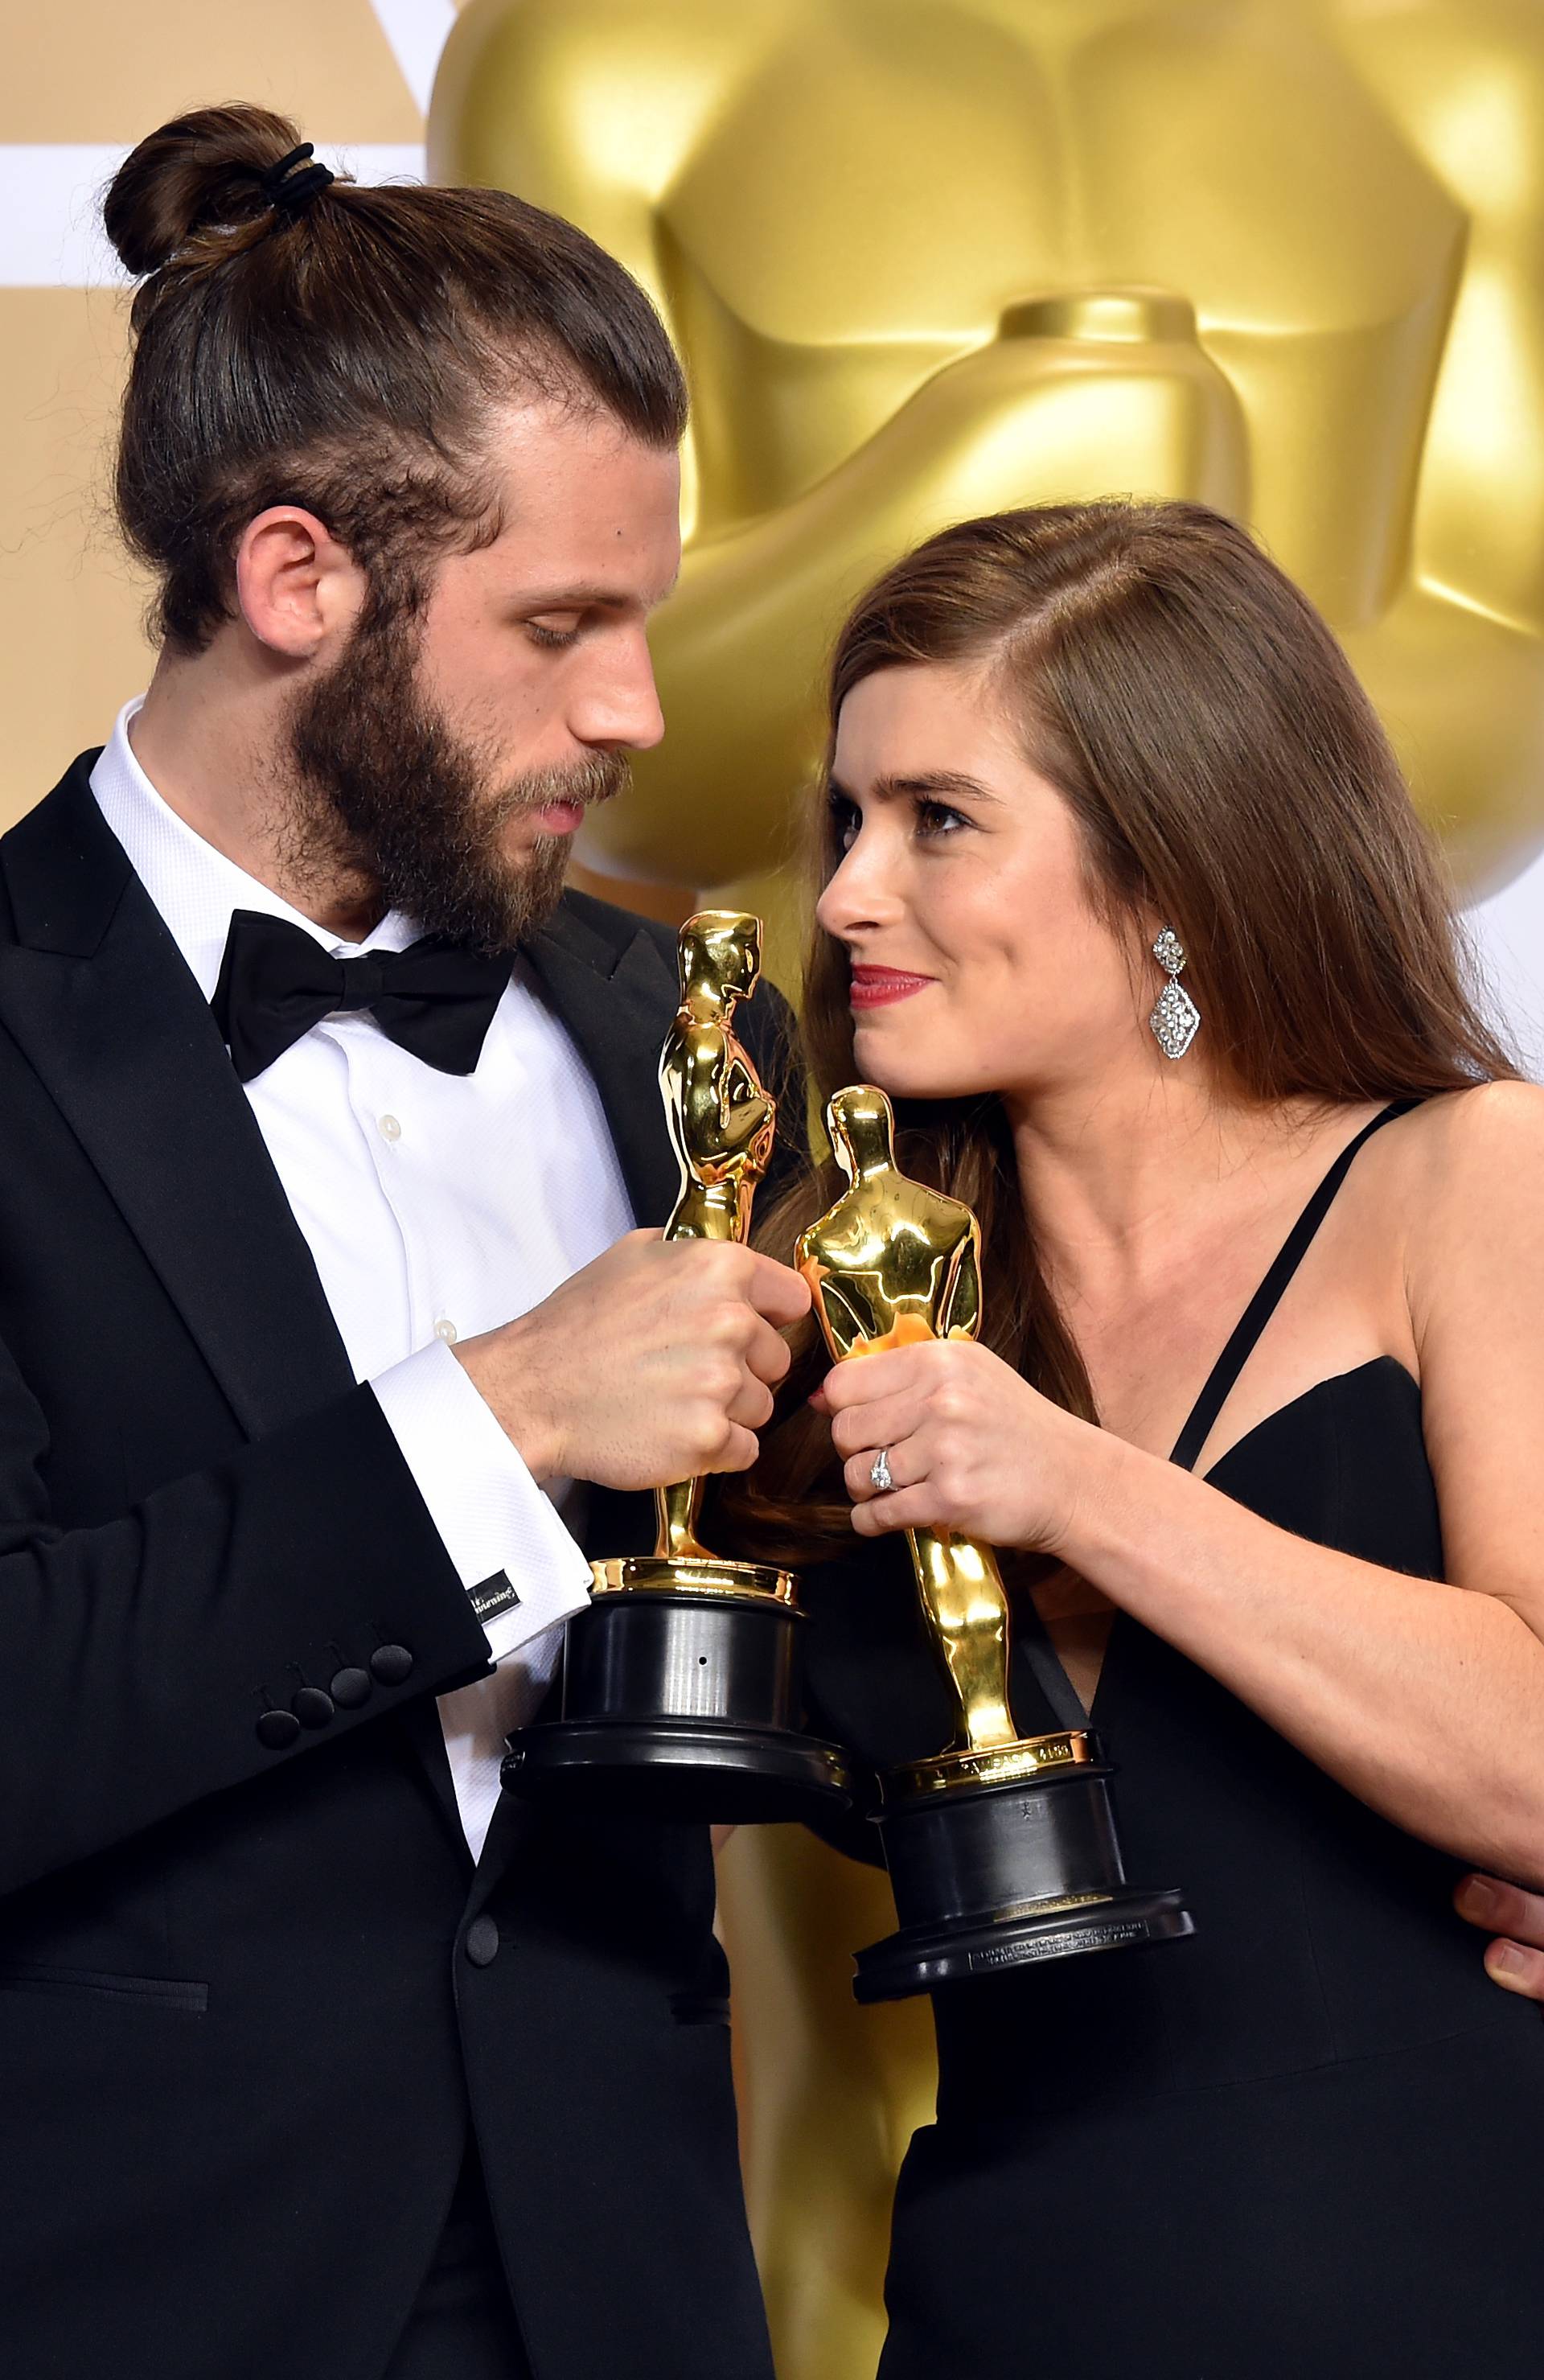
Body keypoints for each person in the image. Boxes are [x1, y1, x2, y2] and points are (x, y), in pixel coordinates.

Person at [0, 105, 806, 2380]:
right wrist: (513, 1412)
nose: (638, 715)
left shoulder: (673, 1024)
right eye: (564, 626)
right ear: (296, 580)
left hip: (623, 2277)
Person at [722, 499, 1544, 2377]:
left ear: (1176, 856)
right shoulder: (844, 1283)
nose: (849, 892)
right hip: (1006, 2304)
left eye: (939, 818)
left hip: (1459, 2294)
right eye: (847, 820)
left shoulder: (1461, 1174)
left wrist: (1077, 1484)